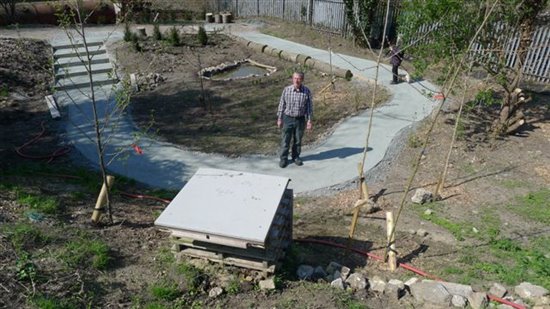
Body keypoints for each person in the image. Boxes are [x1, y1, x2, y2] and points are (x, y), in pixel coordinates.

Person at [277, 71, 313, 168]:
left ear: (302, 80)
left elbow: (309, 108)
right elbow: (281, 105)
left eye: (299, 78)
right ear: (292, 79)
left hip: (300, 120)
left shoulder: (306, 91)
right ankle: (283, 158)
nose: (297, 80)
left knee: (297, 141)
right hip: (288, 118)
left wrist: (309, 120)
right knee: (286, 140)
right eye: (295, 78)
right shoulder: (286, 90)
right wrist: (279, 118)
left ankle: (296, 157)